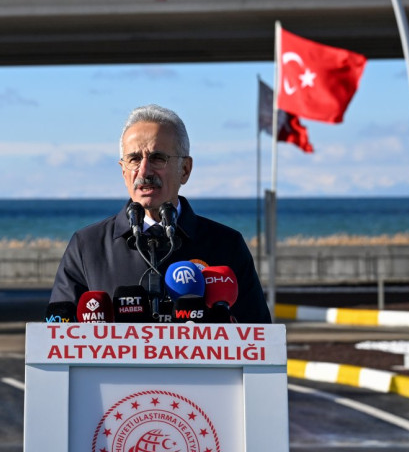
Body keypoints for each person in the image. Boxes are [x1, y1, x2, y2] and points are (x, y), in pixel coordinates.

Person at [50, 104, 271, 323]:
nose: (144, 171)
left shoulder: (226, 245)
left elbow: (259, 339)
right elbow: (57, 337)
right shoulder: (87, 246)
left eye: (157, 158)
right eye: (134, 159)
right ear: (123, 171)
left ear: (185, 170)